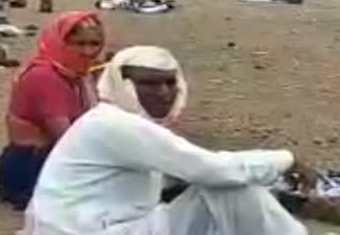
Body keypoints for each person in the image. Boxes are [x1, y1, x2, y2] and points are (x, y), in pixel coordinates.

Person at [21, 45, 309, 235]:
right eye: (148, 83)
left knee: (224, 192)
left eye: (170, 82)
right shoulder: (115, 123)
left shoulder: (112, 121)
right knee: (233, 192)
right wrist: (286, 160)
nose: (163, 92)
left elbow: (178, 175)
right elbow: (212, 170)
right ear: (121, 84)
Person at [0, 12, 105, 210]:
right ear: (60, 42)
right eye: (79, 44)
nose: (88, 52)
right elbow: (66, 139)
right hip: (31, 168)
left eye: (94, 44)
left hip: (49, 160)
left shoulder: (76, 75)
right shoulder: (45, 77)